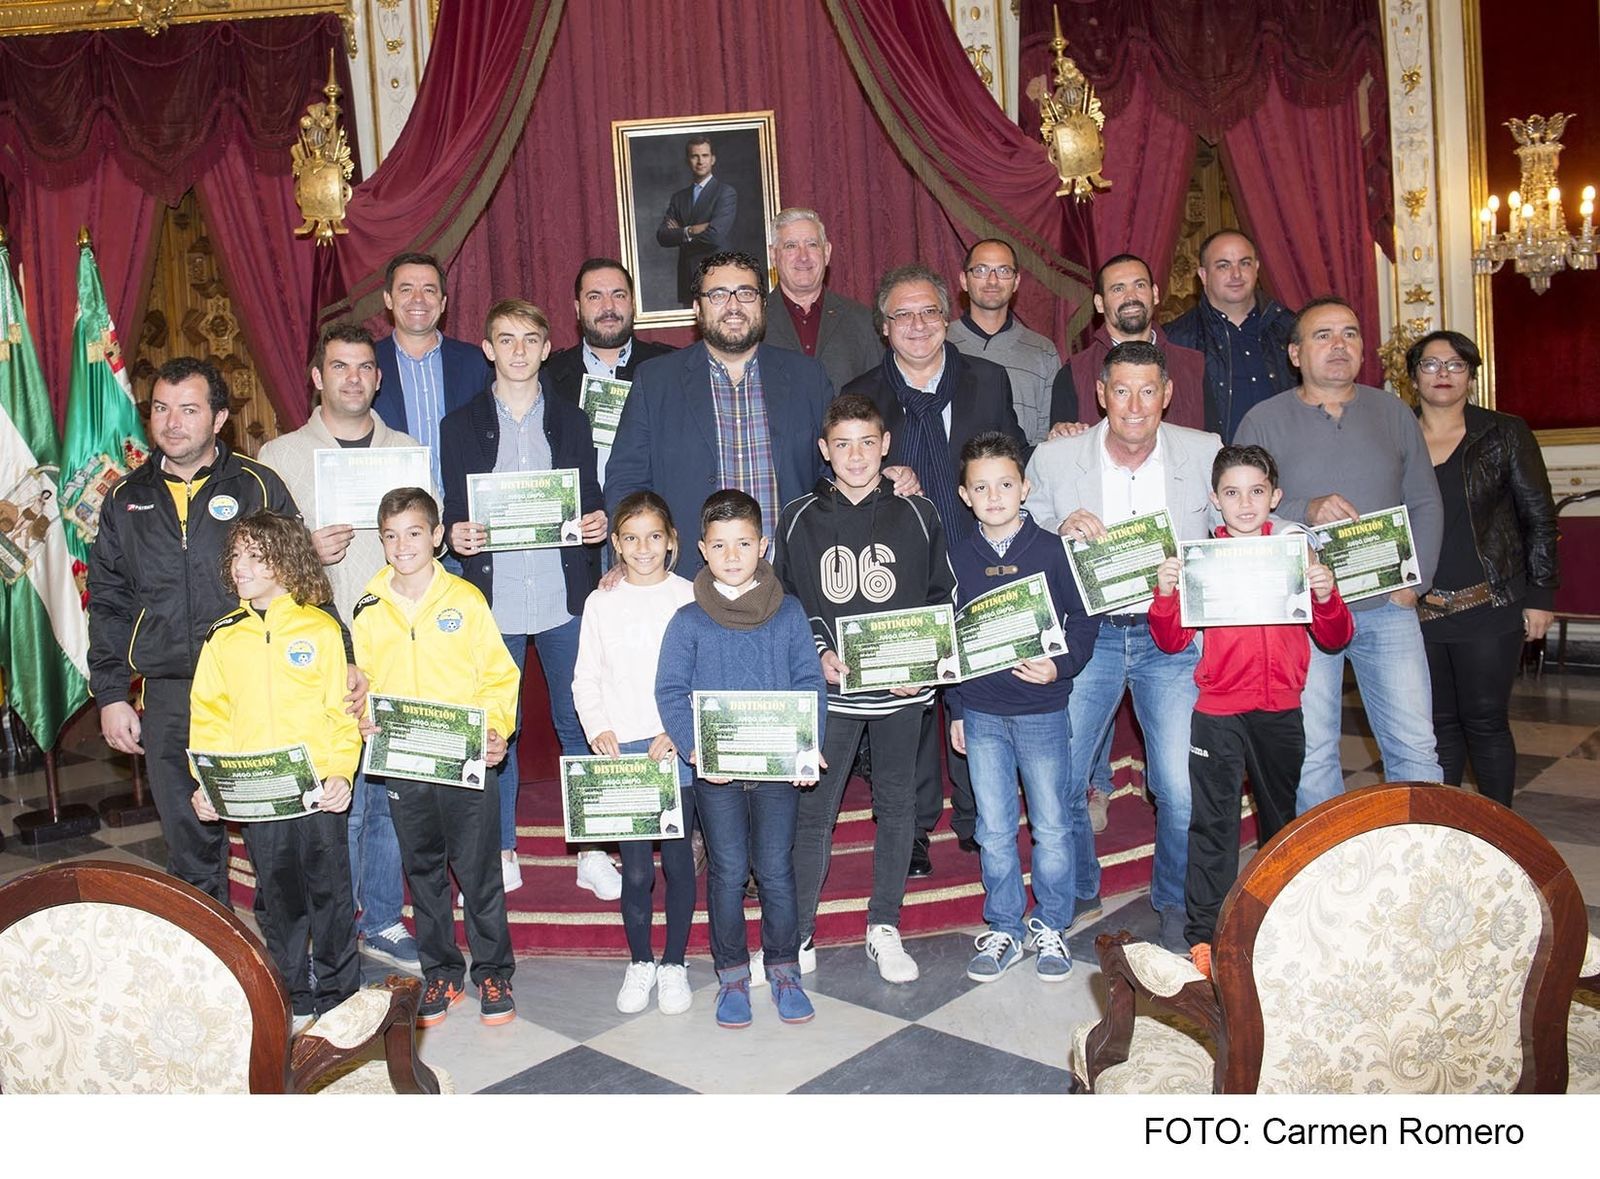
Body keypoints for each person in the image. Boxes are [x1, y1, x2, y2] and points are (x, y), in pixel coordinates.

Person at [1024, 340, 1223, 954]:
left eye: (1148, 391)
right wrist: (1056, 533)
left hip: (1173, 639)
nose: (1134, 405)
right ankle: (1080, 884)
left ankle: (1172, 901)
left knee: (1180, 785)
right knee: (1065, 775)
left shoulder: (1206, 451)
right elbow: (1013, 537)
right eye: (1121, 390)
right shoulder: (1055, 460)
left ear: (1167, 395)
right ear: (1101, 394)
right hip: (1091, 637)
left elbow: (1240, 529)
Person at [89, 356, 302, 906]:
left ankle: (285, 977)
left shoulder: (258, 486)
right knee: (189, 846)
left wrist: (340, 658)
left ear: (220, 418)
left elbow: (304, 586)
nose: (172, 422)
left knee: (272, 843)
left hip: (256, 690)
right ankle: (214, 970)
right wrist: (111, 695)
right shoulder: (123, 499)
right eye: (161, 408)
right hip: (169, 695)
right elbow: (108, 603)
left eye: (188, 409)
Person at [844, 262, 1026, 872]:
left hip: (982, 559)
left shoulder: (988, 379)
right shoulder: (862, 394)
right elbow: (839, 478)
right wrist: (878, 483)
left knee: (980, 694)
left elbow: (1014, 457)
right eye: (902, 314)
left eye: (929, 312)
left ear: (947, 319)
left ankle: (980, 817)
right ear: (884, 326)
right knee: (913, 706)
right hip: (901, 571)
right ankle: (913, 828)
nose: (917, 325)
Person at [1146, 445, 1353, 968]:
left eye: (1256, 492)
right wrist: (1167, 595)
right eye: (1232, 493)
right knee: (1212, 824)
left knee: (1281, 823)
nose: (1245, 503)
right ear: (1215, 500)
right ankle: (1204, 937)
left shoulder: (1293, 550)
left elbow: (1335, 637)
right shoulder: (1201, 556)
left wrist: (1326, 595)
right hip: (1217, 712)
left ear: (1275, 497)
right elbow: (1171, 642)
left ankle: (1282, 923)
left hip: (1281, 709)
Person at [1235, 297, 1444, 814]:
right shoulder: (1263, 420)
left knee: (1415, 747)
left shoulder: (1393, 412)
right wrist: (1307, 507)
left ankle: (1427, 862)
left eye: (1349, 334)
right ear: (1295, 353)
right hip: (1303, 613)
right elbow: (1236, 510)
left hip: (1387, 608)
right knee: (1312, 755)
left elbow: (1425, 501)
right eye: (1323, 335)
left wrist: (1415, 585)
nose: (1338, 345)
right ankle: (1325, 871)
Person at [257, 322, 422, 973]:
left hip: (392, 639)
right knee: (336, 787)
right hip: (319, 648)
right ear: (317, 377)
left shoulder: (406, 448)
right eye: (340, 366)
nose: (353, 377)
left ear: (378, 379)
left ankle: (381, 915)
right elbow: (257, 562)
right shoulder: (280, 455)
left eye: (364, 367)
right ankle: (335, 917)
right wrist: (305, 549)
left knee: (383, 791)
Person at [774, 393, 956, 984]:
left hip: (902, 693)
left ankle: (884, 924)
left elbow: (939, 596)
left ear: (886, 447)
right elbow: (788, 599)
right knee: (815, 812)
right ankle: (798, 933)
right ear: (825, 451)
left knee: (898, 805)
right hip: (833, 692)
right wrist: (819, 650)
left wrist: (925, 657)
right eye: (843, 444)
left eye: (867, 443)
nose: (856, 456)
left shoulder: (920, 513)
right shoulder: (799, 515)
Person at [439, 300, 611, 900]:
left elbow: (591, 500)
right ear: (488, 349)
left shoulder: (572, 420)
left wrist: (597, 524)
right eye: (505, 338)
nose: (518, 350)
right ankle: (502, 848)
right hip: (495, 602)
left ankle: (591, 847)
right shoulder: (457, 426)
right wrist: (454, 533)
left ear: (545, 349)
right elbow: (455, 515)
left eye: (530, 339)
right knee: (496, 730)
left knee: (578, 721)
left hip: (564, 596)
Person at [655, 490, 828, 1029]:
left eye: (744, 543)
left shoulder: (789, 612)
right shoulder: (688, 620)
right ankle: (731, 975)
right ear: (703, 550)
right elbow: (670, 690)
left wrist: (808, 744)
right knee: (728, 872)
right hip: (718, 775)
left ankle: (783, 969)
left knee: (776, 870)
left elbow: (808, 682)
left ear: (764, 545)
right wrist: (695, 748)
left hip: (776, 773)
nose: (732, 556)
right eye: (721, 545)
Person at [352, 487, 521, 1027]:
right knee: (423, 872)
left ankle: (493, 969)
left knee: (478, 873)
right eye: (391, 536)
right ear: (380, 542)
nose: (403, 545)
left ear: (438, 536)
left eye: (414, 533)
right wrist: (361, 718)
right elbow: (361, 683)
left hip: (467, 760)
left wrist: (497, 729)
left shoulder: (466, 601)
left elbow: (499, 675)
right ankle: (442, 972)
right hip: (405, 763)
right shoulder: (368, 607)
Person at [188, 512, 362, 1034]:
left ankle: (340, 995)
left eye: (255, 558)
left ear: (285, 564)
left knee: (330, 895)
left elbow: (341, 712)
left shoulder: (322, 626)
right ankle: (291, 991)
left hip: (316, 791)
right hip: (258, 794)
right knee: (278, 897)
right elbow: (209, 716)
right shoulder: (224, 636)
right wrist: (207, 784)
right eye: (236, 556)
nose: (240, 567)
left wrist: (341, 774)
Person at [947, 431, 1098, 981]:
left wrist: (1060, 665)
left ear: (1025, 488)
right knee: (992, 825)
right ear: (965, 495)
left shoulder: (1054, 552)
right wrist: (957, 709)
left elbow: (1084, 622)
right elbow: (950, 641)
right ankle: (1005, 925)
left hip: (1041, 710)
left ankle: (1052, 923)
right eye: (981, 487)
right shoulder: (957, 557)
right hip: (983, 710)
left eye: (1005, 484)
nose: (993, 496)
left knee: (1053, 824)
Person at [606, 250, 835, 574]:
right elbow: (626, 481)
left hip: (791, 578)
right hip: (688, 581)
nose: (733, 306)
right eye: (718, 294)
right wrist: (630, 558)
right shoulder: (656, 381)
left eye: (746, 293)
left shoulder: (807, 378)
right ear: (697, 308)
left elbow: (835, 474)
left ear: (762, 304)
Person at [1410, 330, 1558, 808]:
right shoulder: (1398, 435)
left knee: (1486, 720)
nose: (1443, 374)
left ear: (1471, 375)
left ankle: (1500, 833)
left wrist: (1541, 597)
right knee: (1437, 725)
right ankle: (1447, 827)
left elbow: (1537, 516)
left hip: (1490, 603)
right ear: (1413, 377)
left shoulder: (1504, 431)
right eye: (1430, 365)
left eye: (1455, 365)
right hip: (1418, 609)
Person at [572, 491, 698, 1014]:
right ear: (616, 545)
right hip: (622, 750)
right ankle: (641, 960)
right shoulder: (601, 601)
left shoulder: (692, 595)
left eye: (653, 537)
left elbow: (703, 673)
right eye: (630, 538)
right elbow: (586, 677)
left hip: (671, 747)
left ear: (671, 541)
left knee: (677, 863)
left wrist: (680, 730)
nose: (642, 548)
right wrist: (598, 727)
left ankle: (674, 964)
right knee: (637, 872)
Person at [542, 258, 676, 485]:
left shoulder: (669, 369)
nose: (608, 307)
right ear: (577, 308)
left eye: (618, 295)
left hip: (651, 512)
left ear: (632, 303)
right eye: (595, 297)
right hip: (579, 516)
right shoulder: (547, 378)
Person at [371, 252, 491, 495]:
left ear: (443, 303)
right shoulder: (366, 364)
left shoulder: (477, 362)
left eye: (429, 290)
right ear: (388, 299)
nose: (418, 299)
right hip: (392, 516)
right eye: (406, 289)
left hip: (463, 518)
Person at [1048, 254, 1205, 434]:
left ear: (1154, 294)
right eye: (1118, 289)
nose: (1131, 296)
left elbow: (1214, 450)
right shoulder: (1074, 373)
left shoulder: (1195, 367)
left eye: (1139, 285)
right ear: (1099, 303)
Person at [1164, 230, 1297, 442]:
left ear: (1256, 268)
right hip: (1214, 468)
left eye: (1244, 263)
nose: (1236, 274)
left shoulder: (1292, 329)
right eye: (1223, 265)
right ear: (1203, 275)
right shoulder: (1175, 339)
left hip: (1287, 464)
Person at [945, 238, 1064, 446]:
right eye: (981, 270)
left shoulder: (1043, 351)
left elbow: (1049, 435)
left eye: (1003, 271)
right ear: (964, 280)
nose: (992, 281)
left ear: (1016, 282)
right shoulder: (938, 343)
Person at [763, 208, 883, 394]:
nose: (803, 257)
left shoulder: (863, 321)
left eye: (812, 244)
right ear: (773, 255)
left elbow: (880, 396)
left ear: (826, 252)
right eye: (791, 246)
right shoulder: (754, 322)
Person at [655, 136, 737, 306]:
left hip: (717, 274)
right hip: (688, 278)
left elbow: (715, 236)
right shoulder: (679, 198)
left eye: (705, 156)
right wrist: (691, 230)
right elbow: (662, 236)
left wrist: (681, 236)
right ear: (688, 161)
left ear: (713, 159)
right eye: (695, 156)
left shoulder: (725, 193)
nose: (700, 161)